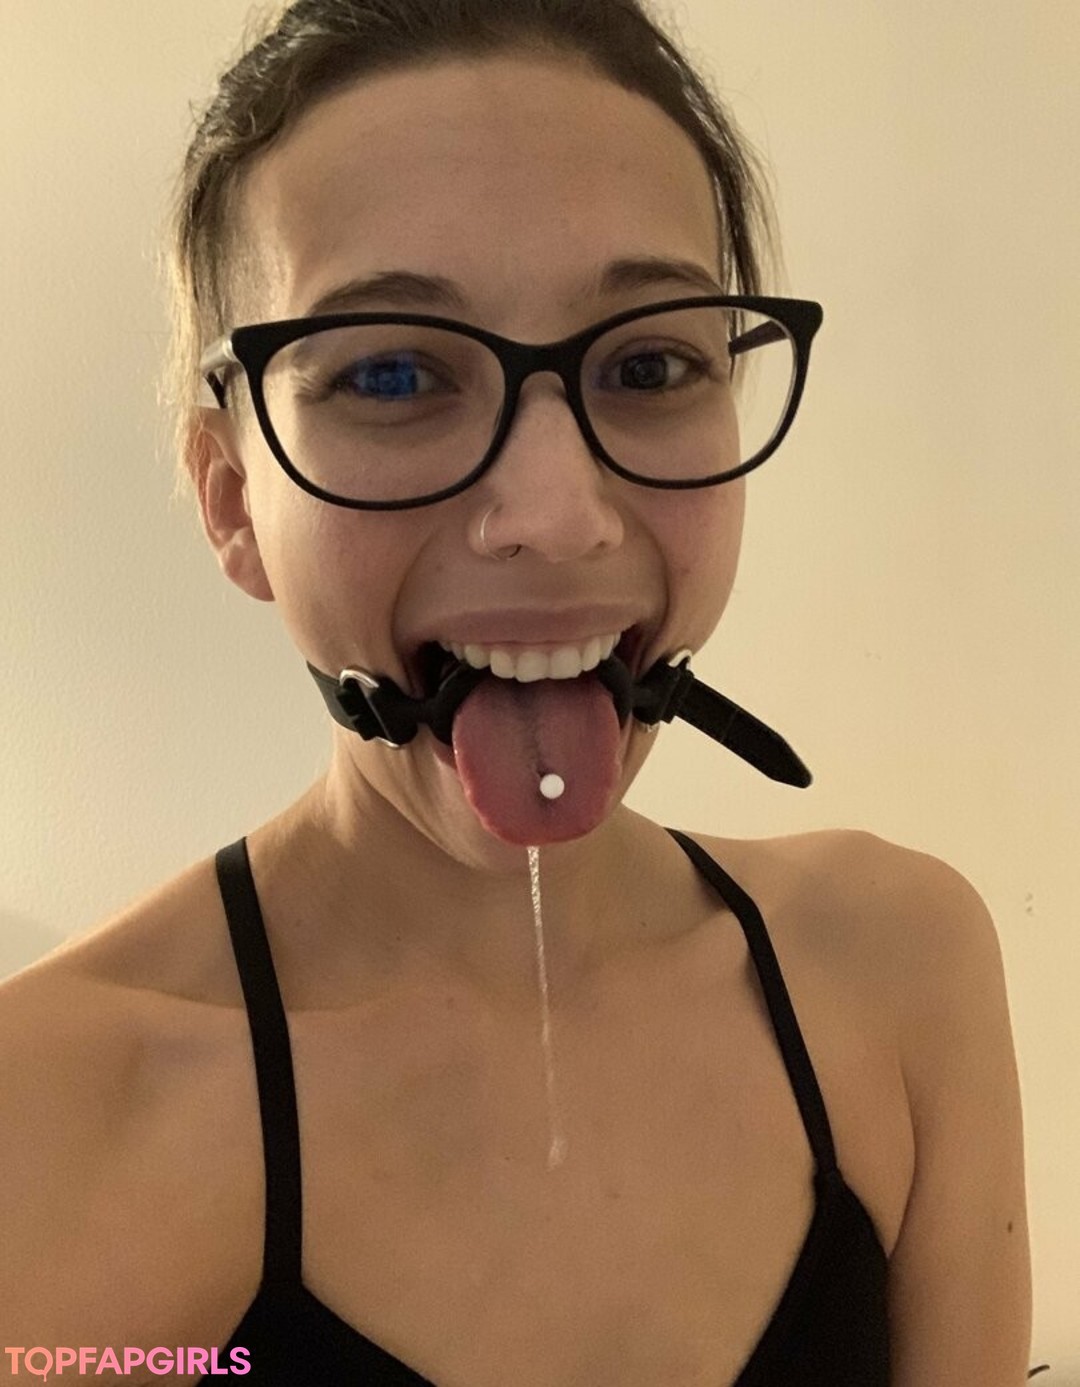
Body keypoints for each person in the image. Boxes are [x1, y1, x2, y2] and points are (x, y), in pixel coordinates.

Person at [1, 1, 1032, 1383]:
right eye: (391, 373)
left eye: (651, 364)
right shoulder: (45, 1112)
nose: (556, 515)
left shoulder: (902, 970)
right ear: (233, 496)